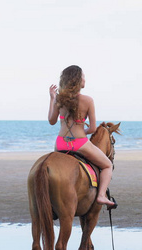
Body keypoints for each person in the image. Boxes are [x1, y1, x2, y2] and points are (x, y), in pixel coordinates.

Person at [48, 65, 115, 207]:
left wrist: (52, 98)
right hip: (79, 144)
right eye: (83, 76)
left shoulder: (59, 99)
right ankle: (102, 196)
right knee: (108, 165)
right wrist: (81, 132)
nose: (85, 79)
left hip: (60, 143)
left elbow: (51, 121)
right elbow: (92, 128)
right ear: (78, 80)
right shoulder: (88, 100)